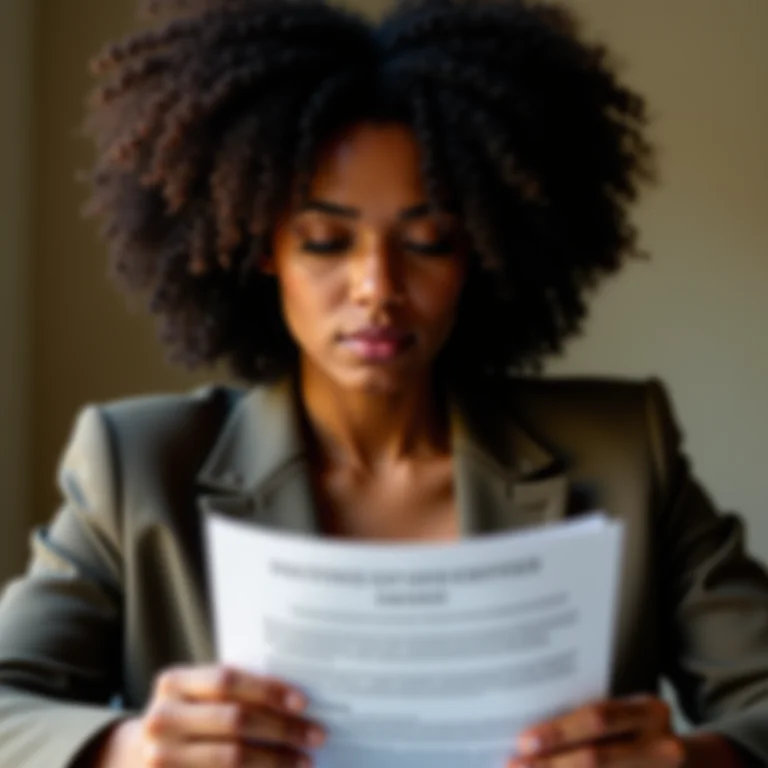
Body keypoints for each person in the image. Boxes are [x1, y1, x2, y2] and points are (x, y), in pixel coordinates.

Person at [0, 0, 767, 765]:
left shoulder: (625, 453)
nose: (378, 287)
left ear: (481, 251)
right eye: (325, 241)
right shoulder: (136, 468)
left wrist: (685, 762)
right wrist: (127, 749)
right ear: (263, 249)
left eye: (429, 241)